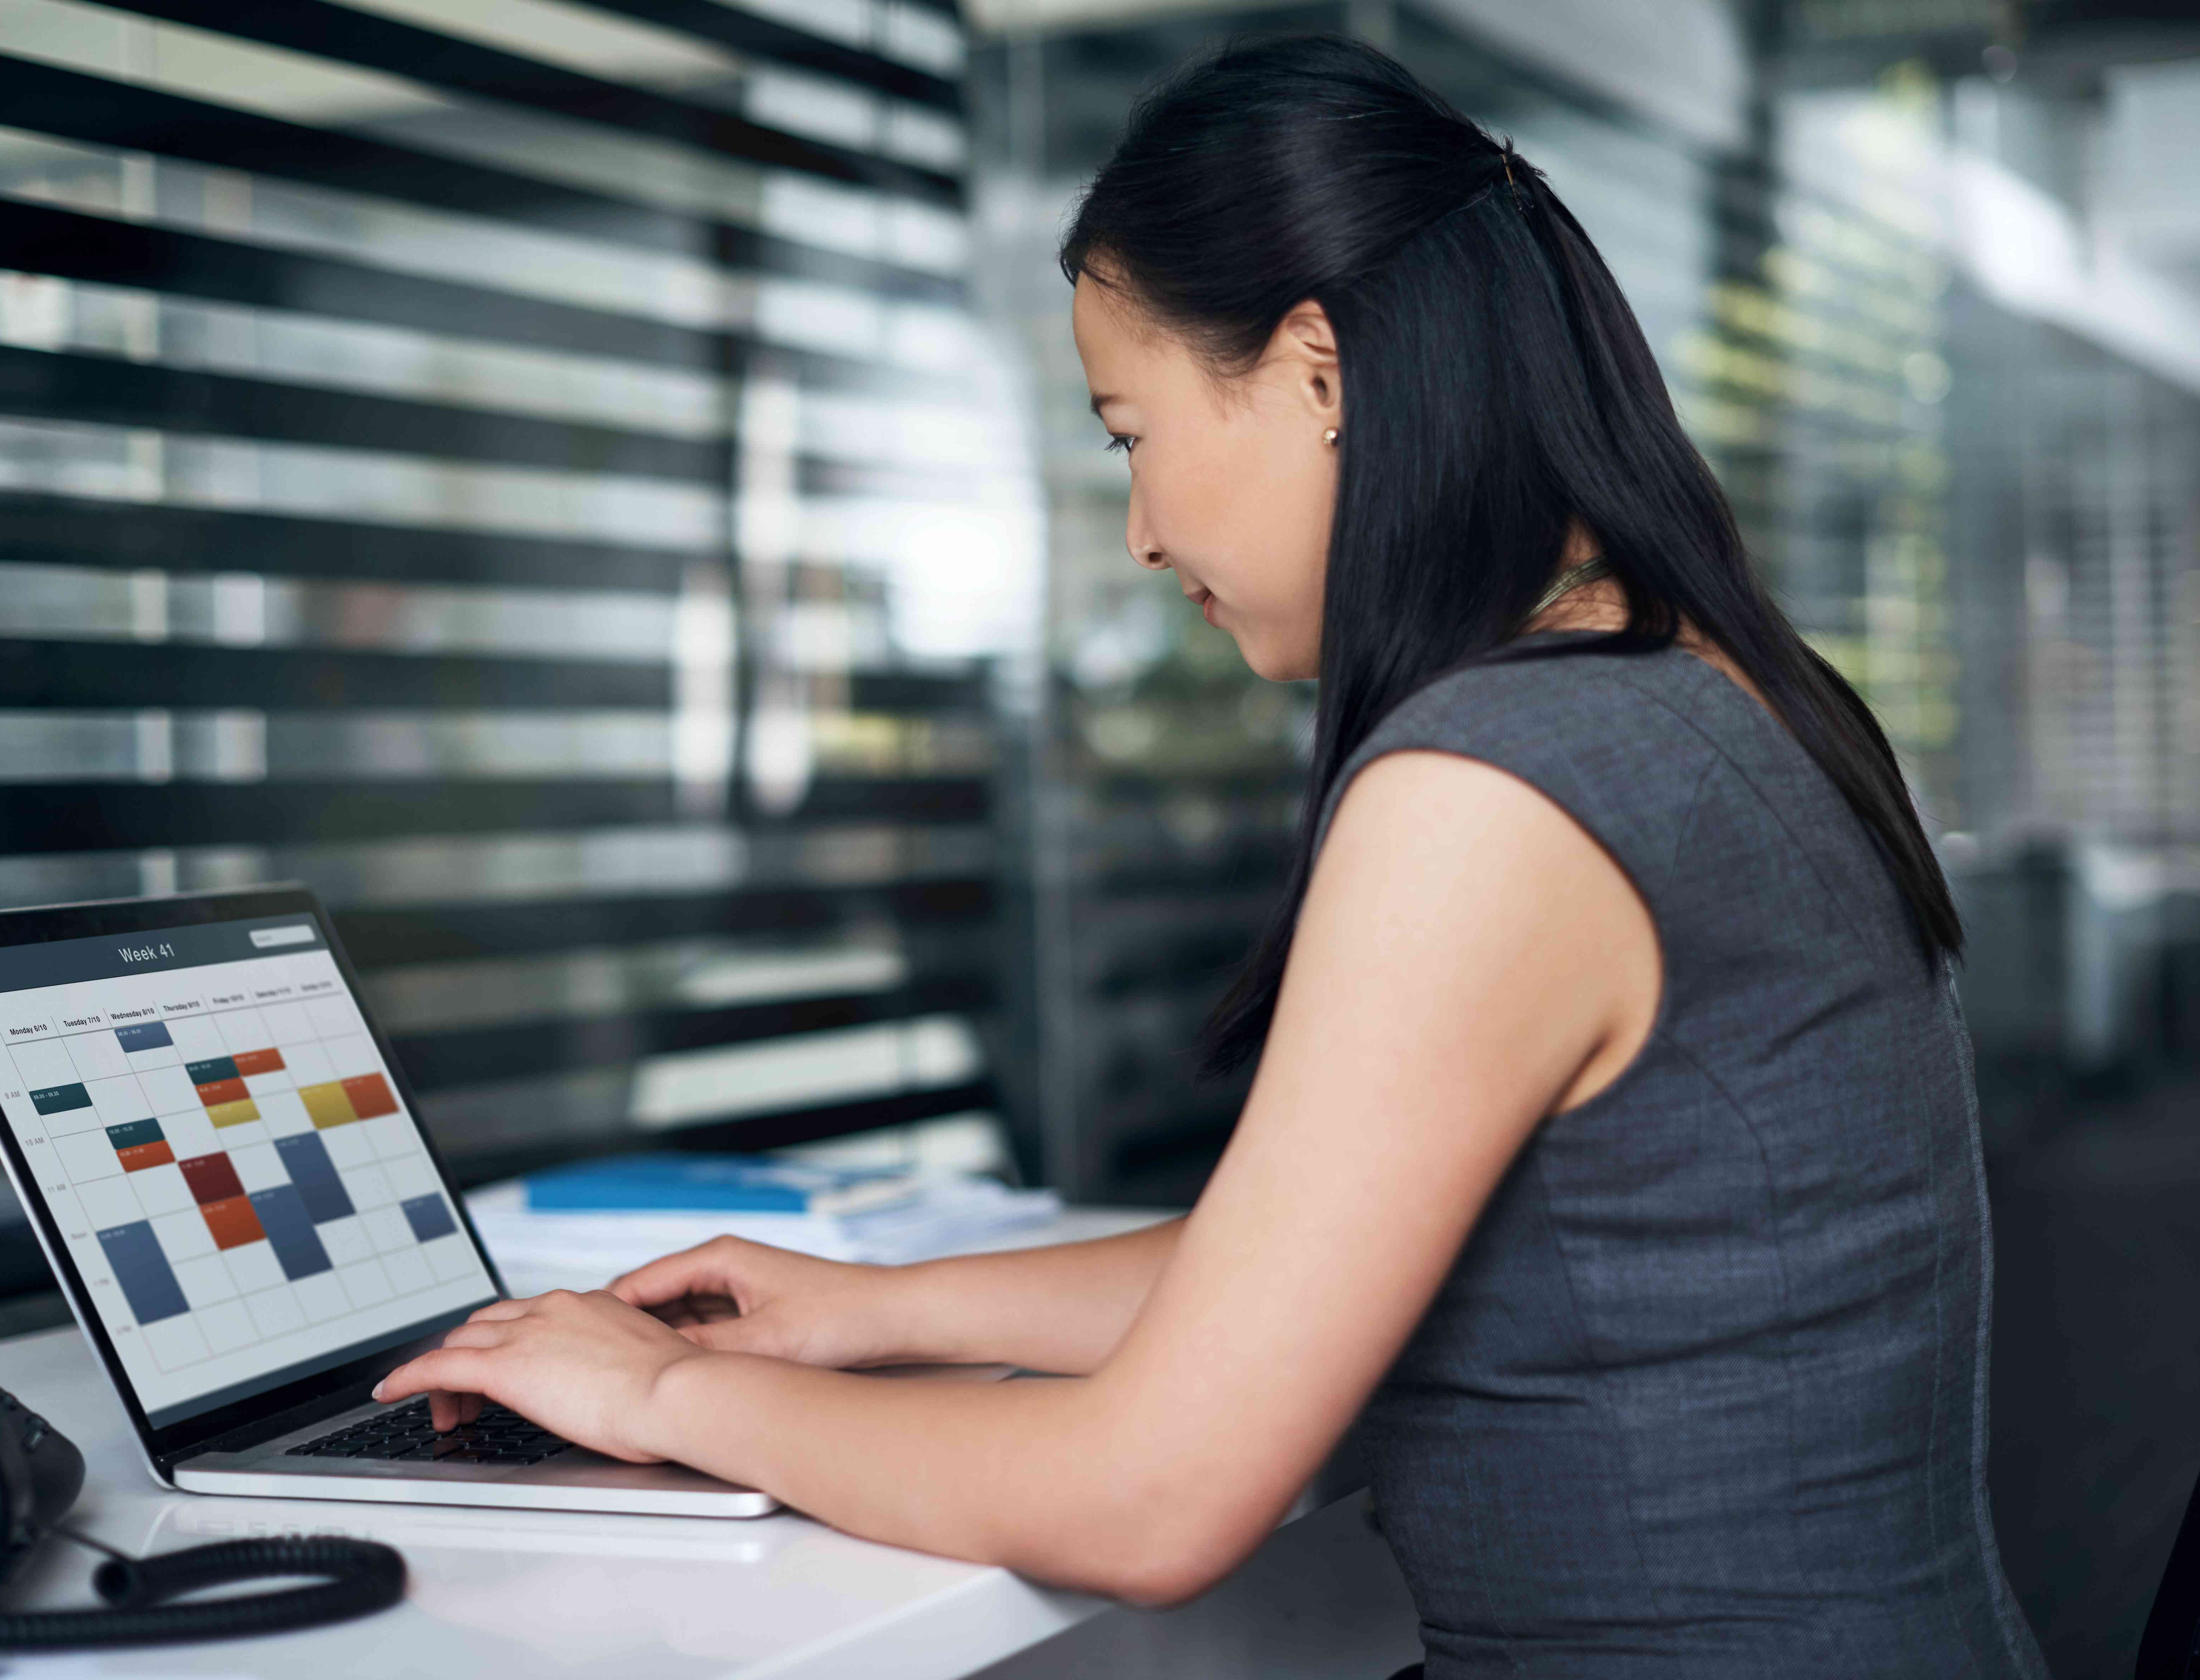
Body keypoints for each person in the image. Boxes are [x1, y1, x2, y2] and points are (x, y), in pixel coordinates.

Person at [378, 35, 2051, 1676]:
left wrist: (665, 1391)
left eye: (1131, 432)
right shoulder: (1712, 682)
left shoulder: (1499, 784)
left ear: (1320, 372)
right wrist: (875, 1308)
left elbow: (1153, 1496)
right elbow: (1333, 1252)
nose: (1142, 530)